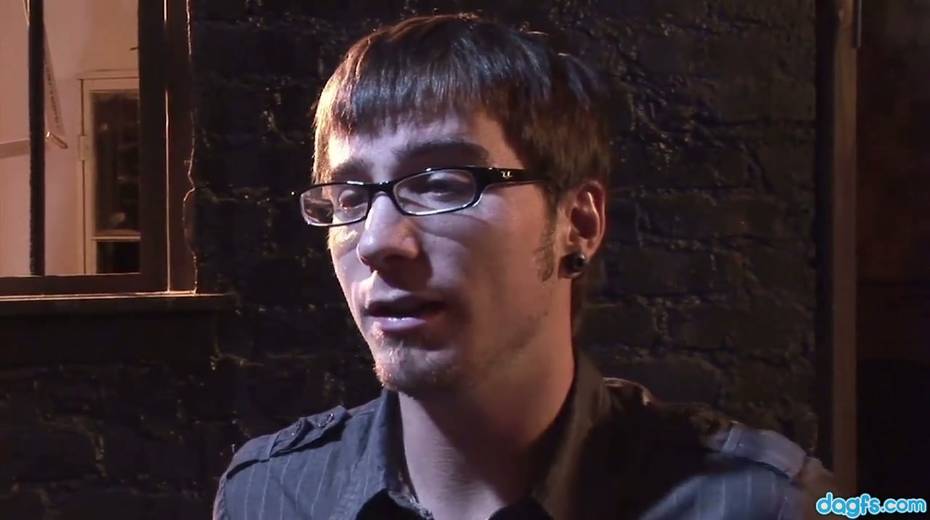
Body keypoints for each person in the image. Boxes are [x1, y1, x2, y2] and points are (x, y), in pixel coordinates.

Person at [213, 13, 833, 520]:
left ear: (577, 224)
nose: (376, 242)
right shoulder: (270, 498)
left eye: (441, 183)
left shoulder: (761, 504)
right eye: (350, 197)